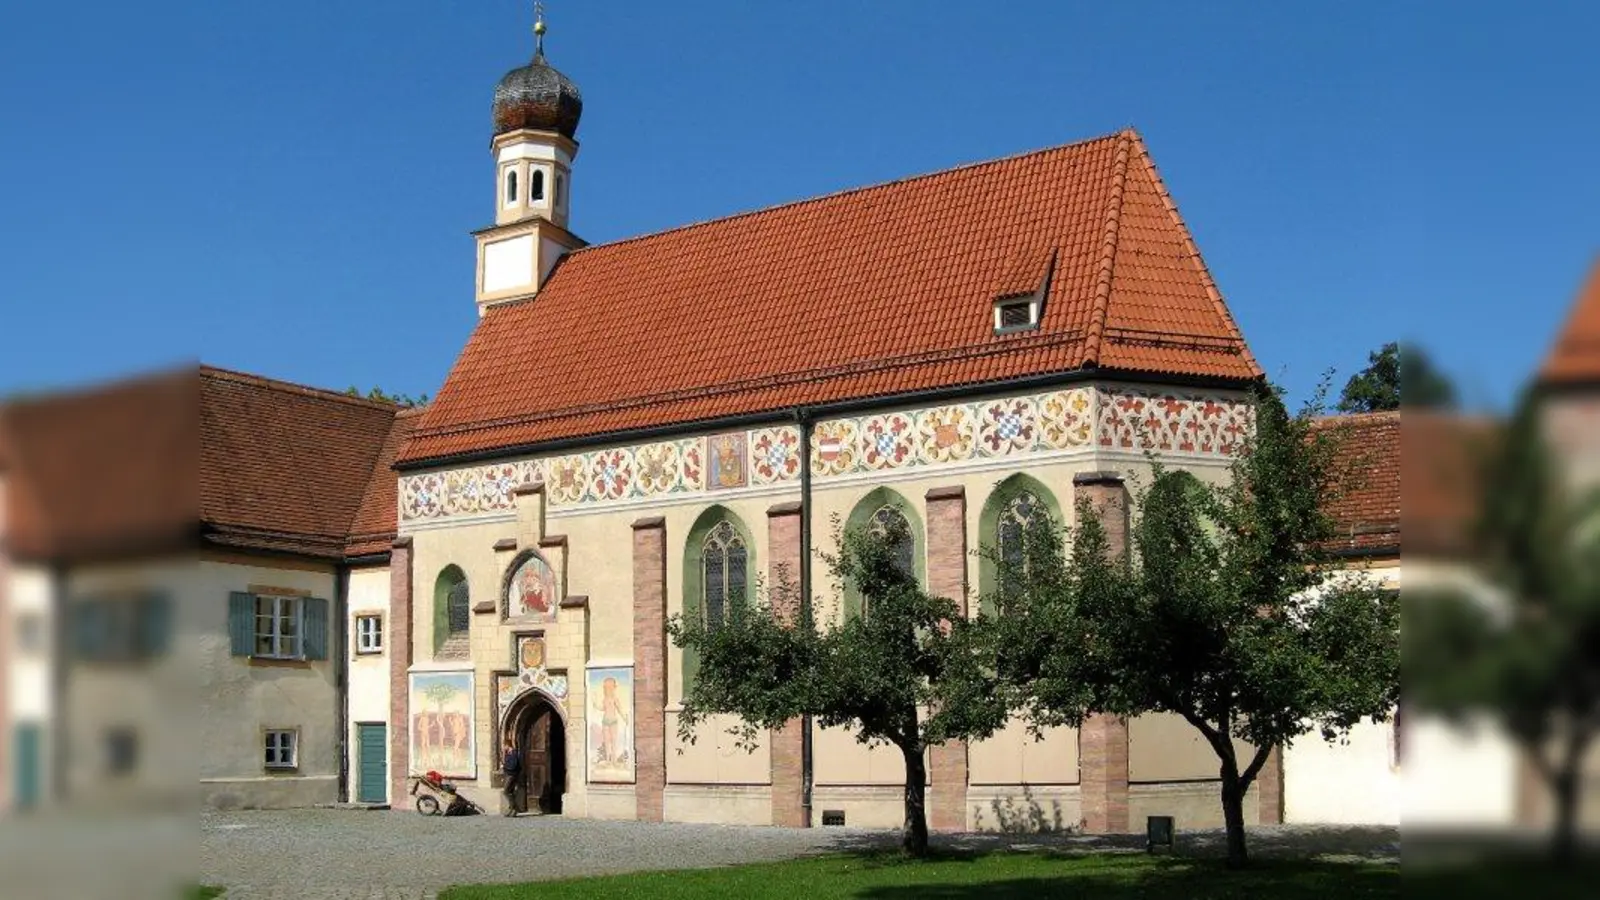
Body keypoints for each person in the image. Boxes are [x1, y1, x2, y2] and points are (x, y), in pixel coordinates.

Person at [501, 737, 523, 816]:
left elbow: (513, 765)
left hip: (512, 775)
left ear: (507, 745)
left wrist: (504, 766)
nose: (503, 747)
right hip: (508, 774)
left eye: (504, 745)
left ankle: (514, 808)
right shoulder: (508, 753)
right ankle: (512, 810)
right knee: (510, 792)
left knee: (506, 791)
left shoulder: (514, 753)